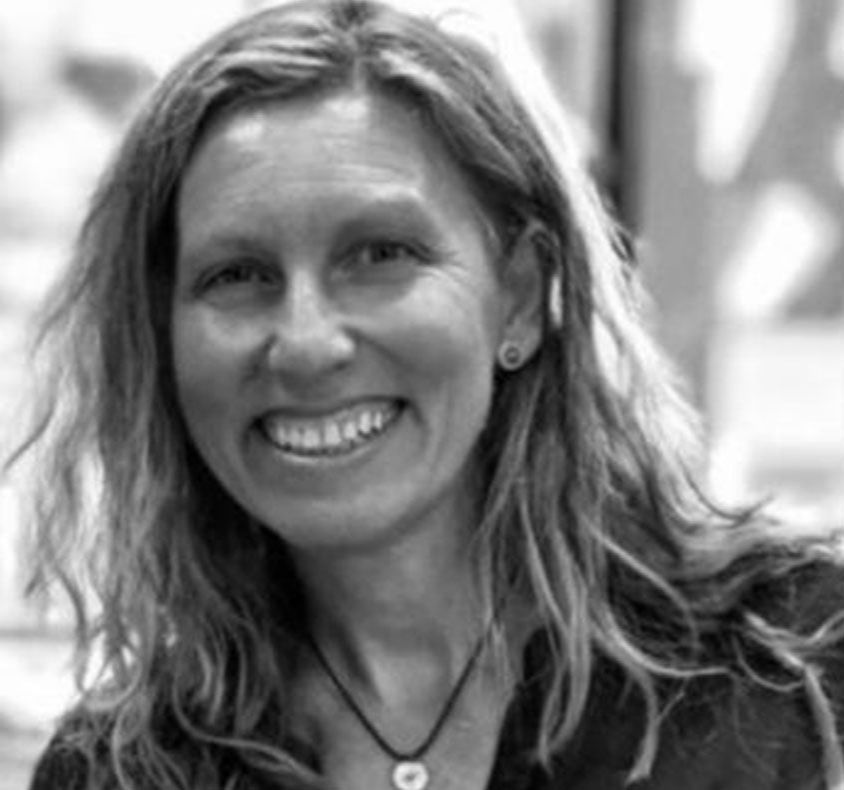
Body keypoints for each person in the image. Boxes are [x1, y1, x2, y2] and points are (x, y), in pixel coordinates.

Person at [11, 1, 844, 788]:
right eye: (237, 275)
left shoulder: (802, 661)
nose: (306, 344)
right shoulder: (121, 770)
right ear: (161, 334)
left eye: (380, 255)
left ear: (521, 296)